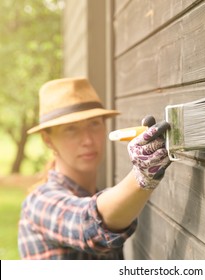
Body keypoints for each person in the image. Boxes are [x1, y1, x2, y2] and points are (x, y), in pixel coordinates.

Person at [18, 77, 171, 259]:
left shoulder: (96, 195)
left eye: (94, 124)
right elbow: (88, 224)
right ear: (48, 140)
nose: (88, 140)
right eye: (71, 129)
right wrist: (142, 176)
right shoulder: (39, 202)